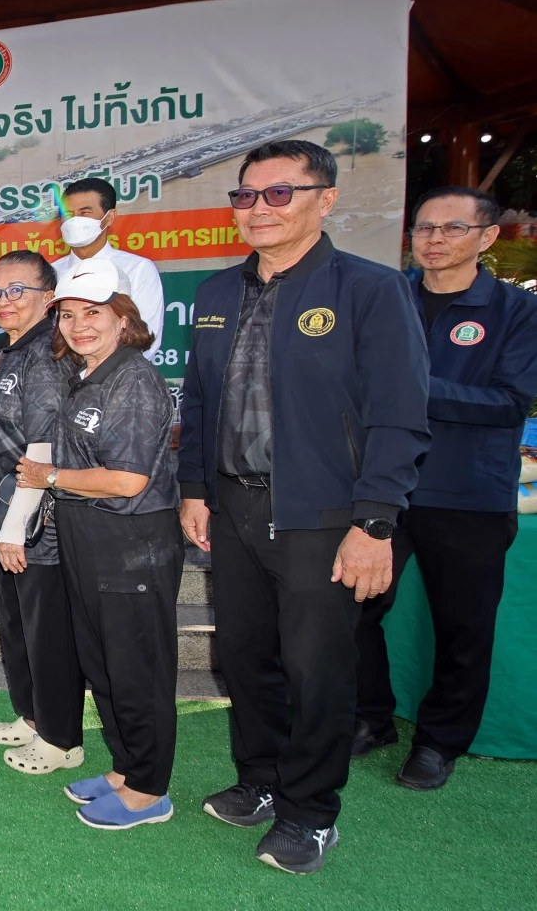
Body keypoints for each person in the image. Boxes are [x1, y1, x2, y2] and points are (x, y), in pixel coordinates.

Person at [178, 139, 429, 875]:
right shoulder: (216, 293)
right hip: (233, 508)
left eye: (279, 193)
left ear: (325, 200)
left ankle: (311, 812)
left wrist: (374, 522)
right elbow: (198, 401)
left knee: (316, 669)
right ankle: (259, 779)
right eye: (246, 195)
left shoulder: (371, 290)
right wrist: (195, 489)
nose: (258, 208)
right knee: (243, 655)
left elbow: (399, 414)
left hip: (324, 517)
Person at [354, 186, 537, 789]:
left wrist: (411, 387)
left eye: (453, 228)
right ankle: (369, 716)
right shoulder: (387, 295)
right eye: (425, 228)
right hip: (381, 487)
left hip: (468, 494)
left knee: (463, 627)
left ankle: (439, 742)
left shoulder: (517, 310)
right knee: (352, 610)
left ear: (487, 237)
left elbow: (509, 403)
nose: (434, 240)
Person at [15, 257, 183, 829]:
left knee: (135, 668)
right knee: (103, 663)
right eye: (68, 315)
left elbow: (128, 479)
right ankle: (126, 769)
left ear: (123, 318)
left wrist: (49, 477)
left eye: (93, 313)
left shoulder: (132, 377)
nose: (79, 325)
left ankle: (149, 790)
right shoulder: (90, 374)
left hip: (130, 541)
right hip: (87, 535)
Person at [0, 250, 86, 775]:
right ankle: (33, 717)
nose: (4, 301)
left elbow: (42, 447)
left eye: (17, 290)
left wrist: (16, 526)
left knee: (46, 633)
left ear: (49, 298)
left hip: (38, 520)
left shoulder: (46, 354)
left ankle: (61, 739)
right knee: (17, 625)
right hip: (4, 511)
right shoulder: (6, 350)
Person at [50, 177, 166, 362]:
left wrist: (95, 373)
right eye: (69, 214)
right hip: (59, 376)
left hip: (119, 375)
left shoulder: (137, 269)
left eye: (85, 212)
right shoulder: (51, 272)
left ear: (109, 217)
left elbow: (146, 340)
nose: (75, 220)